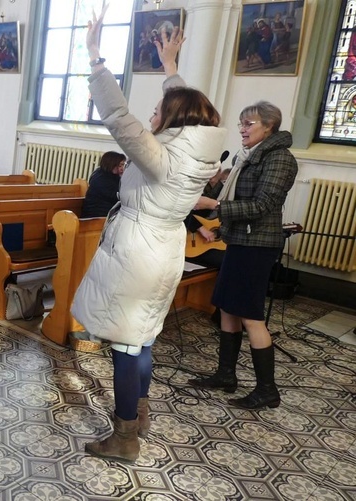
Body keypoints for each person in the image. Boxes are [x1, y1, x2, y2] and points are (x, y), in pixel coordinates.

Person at [70, 7, 226, 464]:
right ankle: (139, 414)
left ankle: (123, 437)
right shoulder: (194, 153)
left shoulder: (162, 157)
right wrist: (170, 69)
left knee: (124, 343)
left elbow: (118, 116)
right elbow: (182, 105)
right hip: (163, 249)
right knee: (142, 338)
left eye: (158, 112)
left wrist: (96, 56)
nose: (152, 116)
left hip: (138, 252)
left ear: (173, 121)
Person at [189, 102, 298, 410]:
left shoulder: (280, 158)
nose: (242, 129)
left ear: (269, 126)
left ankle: (267, 390)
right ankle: (226, 374)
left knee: (251, 316)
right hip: (240, 241)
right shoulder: (245, 157)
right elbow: (238, 199)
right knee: (226, 308)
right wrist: (222, 228)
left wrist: (212, 205)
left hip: (258, 246)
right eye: (240, 123)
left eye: (249, 123)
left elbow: (263, 205)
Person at [81, 151, 127, 218]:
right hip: (96, 215)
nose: (122, 168)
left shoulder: (112, 176)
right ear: (111, 164)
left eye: (123, 165)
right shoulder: (100, 178)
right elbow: (117, 197)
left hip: (107, 213)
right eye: (120, 165)